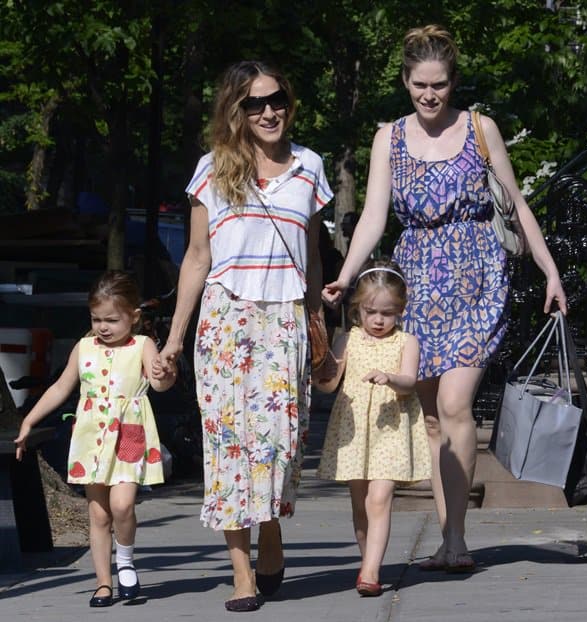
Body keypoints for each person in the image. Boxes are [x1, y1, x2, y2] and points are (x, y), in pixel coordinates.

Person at [322, 24, 567, 573]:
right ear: (406, 82)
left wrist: (550, 271)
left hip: (478, 275)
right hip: (417, 281)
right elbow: (374, 216)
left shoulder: (480, 128)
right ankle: (447, 535)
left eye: (439, 85)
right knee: (431, 418)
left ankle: (456, 536)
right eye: (419, 86)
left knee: (455, 405)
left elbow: (518, 205)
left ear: (452, 82)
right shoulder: (390, 137)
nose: (429, 96)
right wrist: (345, 275)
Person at [157, 60, 333, 612]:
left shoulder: (309, 166)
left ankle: (272, 532)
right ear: (236, 111)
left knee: (279, 447)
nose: (268, 111)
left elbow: (312, 257)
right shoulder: (211, 169)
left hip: (285, 321)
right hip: (226, 319)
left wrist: (321, 326)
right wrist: (174, 340)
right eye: (255, 104)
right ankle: (241, 573)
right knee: (230, 448)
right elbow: (197, 256)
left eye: (276, 99)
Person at [14, 270, 176, 607]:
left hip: (129, 436)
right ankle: (103, 583)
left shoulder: (143, 345)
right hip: (91, 440)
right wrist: (29, 420)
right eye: (96, 318)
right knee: (99, 513)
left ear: (133, 316)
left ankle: (127, 560)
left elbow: (159, 384)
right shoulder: (84, 346)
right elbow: (61, 387)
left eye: (112, 320)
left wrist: (165, 374)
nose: (103, 327)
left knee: (122, 505)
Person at [316, 259, 430, 596]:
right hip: (353, 430)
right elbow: (329, 382)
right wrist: (316, 370)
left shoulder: (406, 341)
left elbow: (409, 382)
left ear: (400, 310)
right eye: (371, 312)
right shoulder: (347, 339)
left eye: (388, 312)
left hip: (390, 428)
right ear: (358, 310)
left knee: (380, 498)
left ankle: (370, 571)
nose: (379, 320)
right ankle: (369, 561)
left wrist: (390, 377)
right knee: (360, 501)